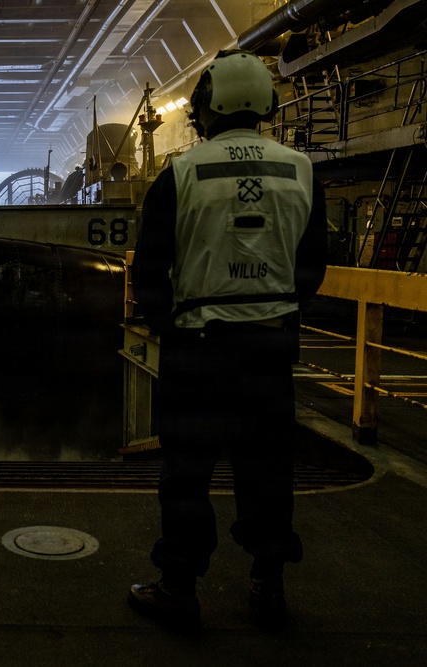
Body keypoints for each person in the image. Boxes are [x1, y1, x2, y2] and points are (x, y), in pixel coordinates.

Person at [129, 50, 327, 633]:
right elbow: (313, 266)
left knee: (187, 474)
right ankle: (268, 585)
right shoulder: (300, 169)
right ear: (265, 103)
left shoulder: (182, 173)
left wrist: (168, 322)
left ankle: (179, 589)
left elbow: (150, 269)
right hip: (269, 350)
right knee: (267, 472)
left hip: (197, 348)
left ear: (205, 106)